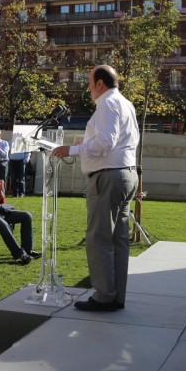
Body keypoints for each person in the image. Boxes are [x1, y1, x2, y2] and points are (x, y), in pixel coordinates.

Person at [52, 64, 140, 312]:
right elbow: (117, 140)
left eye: (90, 81)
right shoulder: (125, 103)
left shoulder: (107, 104)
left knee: (99, 238)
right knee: (118, 239)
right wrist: (88, 143)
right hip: (126, 173)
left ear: (100, 84)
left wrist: (73, 149)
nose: (88, 87)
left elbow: (105, 142)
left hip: (108, 177)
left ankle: (103, 296)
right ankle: (116, 296)